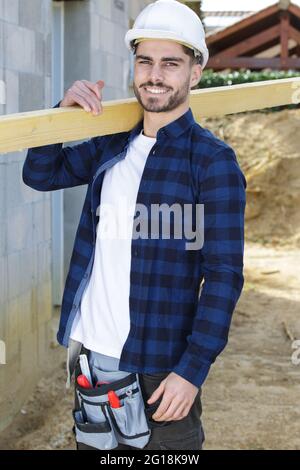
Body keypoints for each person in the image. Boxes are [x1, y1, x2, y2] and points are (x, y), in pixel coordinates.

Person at [22, 0, 246, 450]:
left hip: (160, 368)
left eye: (170, 63)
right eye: (145, 61)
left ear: (195, 73)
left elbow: (223, 276)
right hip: (94, 359)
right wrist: (61, 115)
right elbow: (41, 174)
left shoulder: (211, 161)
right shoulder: (113, 145)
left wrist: (192, 370)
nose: (155, 74)